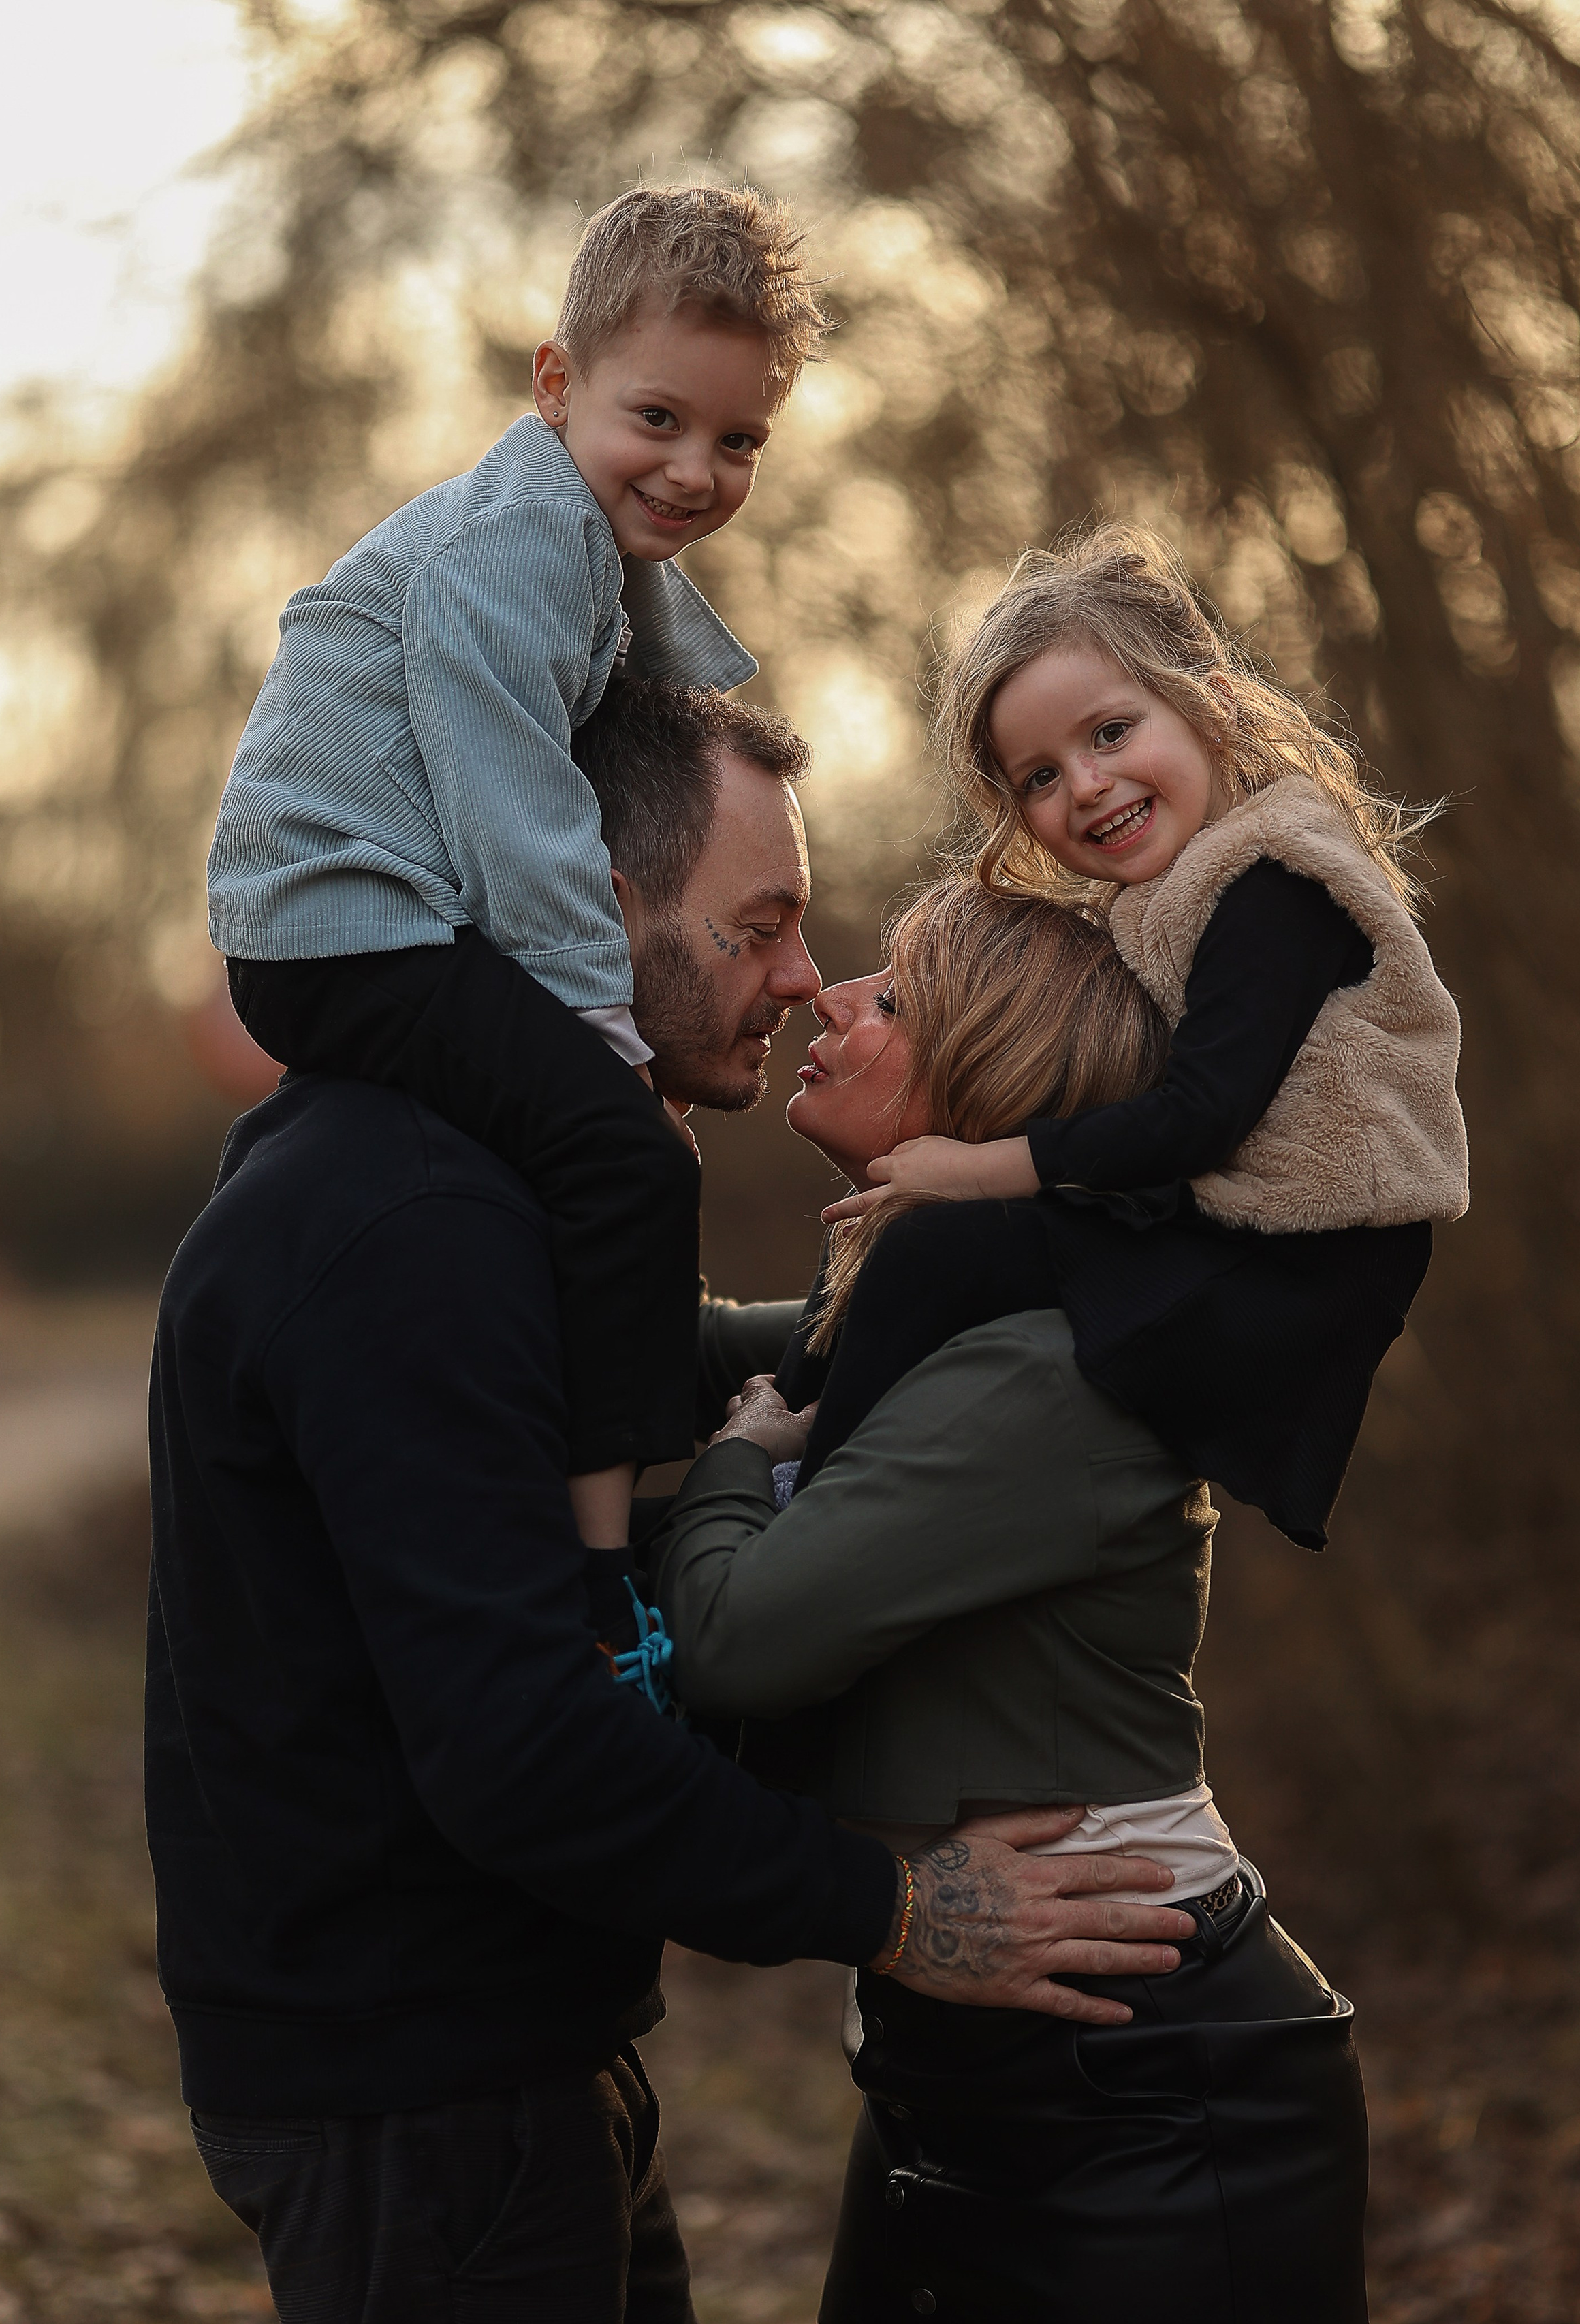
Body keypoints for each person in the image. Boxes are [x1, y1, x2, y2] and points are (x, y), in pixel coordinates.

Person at [151, 681, 1197, 2324]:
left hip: (506, 2054)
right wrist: (901, 1912)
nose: (799, 974)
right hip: (417, 2102)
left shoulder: (462, 1182)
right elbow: (524, 1751)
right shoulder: (408, 1232)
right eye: (760, 924)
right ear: (591, 903)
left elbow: (694, 1361)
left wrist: (1088, 1293)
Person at [647, 880, 1373, 2323]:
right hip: (964, 2063)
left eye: (897, 998)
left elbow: (734, 1643)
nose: (829, 997)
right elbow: (641, 1349)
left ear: (994, 1078)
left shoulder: (1042, 1371)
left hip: (1146, 2091)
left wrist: (735, 1464)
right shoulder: (901, 1317)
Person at [205, 182, 826, 1564]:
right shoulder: (518, 544)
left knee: (573, 1154)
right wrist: (609, 1044)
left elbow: (647, 701)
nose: (692, 471)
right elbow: (526, 821)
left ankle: (619, 1451)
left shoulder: (577, 542)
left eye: (737, 441)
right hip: (343, 927)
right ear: (556, 383)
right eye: (655, 420)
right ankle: (603, 1560)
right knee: (625, 1164)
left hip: (365, 927)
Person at [797, 522, 1470, 1548]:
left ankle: (805, 1511)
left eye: (1110, 733)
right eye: (1040, 778)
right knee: (907, 1243)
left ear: (1212, 701)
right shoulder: (1181, 896)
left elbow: (1198, 1118)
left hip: (1294, 1266)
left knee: (937, 1243)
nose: (1087, 786)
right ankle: (802, 1423)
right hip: (1231, 1225)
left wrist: (982, 1166)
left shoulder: (1276, 883)